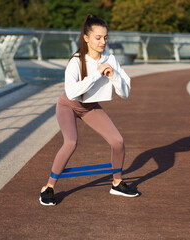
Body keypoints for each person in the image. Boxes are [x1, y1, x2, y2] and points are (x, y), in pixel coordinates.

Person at [39, 14, 139, 206]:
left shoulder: (110, 58)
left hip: (90, 108)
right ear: (86, 38)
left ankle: (117, 183)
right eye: (98, 38)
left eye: (106, 37)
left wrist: (113, 76)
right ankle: (49, 187)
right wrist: (96, 74)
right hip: (68, 105)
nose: (103, 42)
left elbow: (125, 93)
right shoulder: (76, 61)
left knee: (117, 141)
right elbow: (71, 92)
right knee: (71, 142)